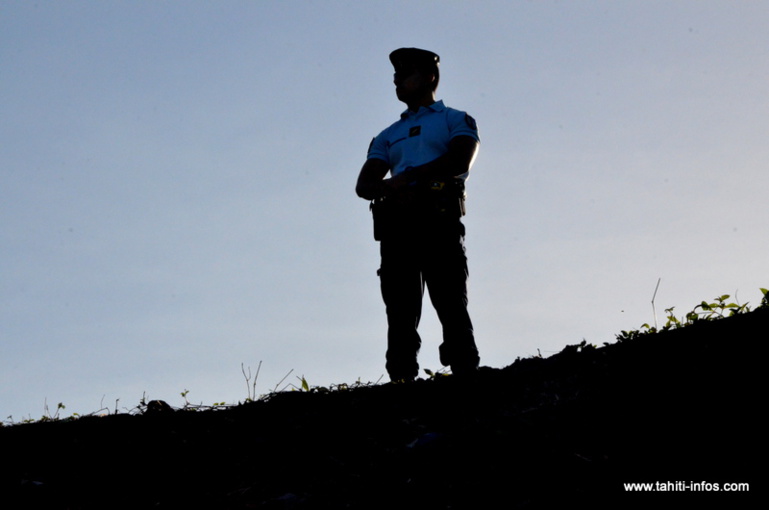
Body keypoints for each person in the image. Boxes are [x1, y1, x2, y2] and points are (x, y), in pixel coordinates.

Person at [355, 48, 481, 382]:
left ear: (429, 76)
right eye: (395, 75)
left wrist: (405, 179)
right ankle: (400, 375)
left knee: (450, 295)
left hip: (438, 216)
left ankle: (466, 370)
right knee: (399, 305)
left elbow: (459, 161)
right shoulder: (386, 135)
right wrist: (394, 187)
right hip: (398, 224)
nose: (397, 79)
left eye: (406, 73)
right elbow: (365, 184)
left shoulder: (454, 119)